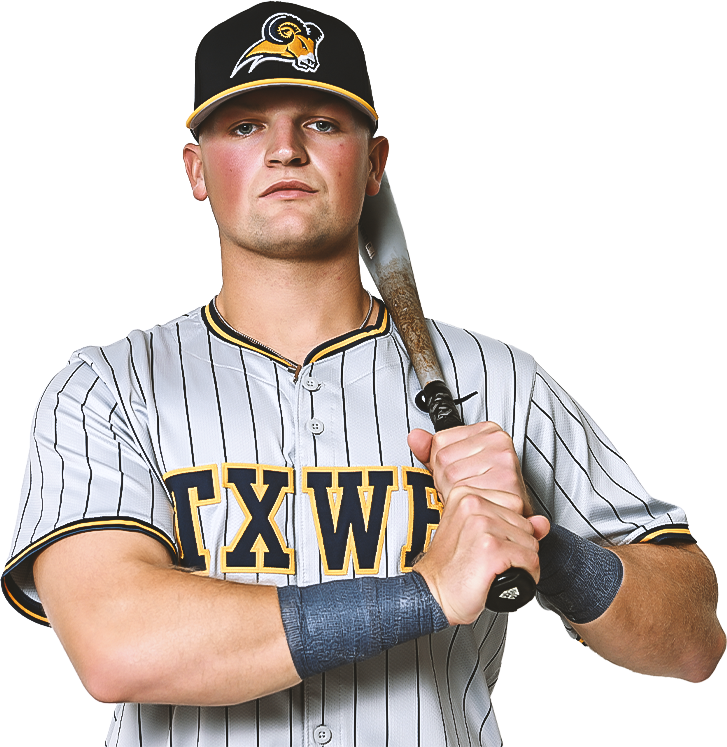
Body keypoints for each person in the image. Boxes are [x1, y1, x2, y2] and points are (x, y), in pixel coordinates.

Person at [2, 4, 723, 745]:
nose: (285, 149)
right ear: (196, 169)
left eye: (320, 121)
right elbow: (118, 645)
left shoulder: (501, 385)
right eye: (245, 125)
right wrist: (427, 590)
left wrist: (541, 545)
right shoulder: (110, 388)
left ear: (374, 163)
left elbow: (694, 639)